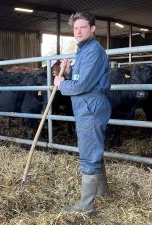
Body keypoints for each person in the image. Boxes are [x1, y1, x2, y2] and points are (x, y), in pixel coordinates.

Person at [54, 11, 111, 214]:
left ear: (93, 29)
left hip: (90, 105)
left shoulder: (93, 50)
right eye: (75, 28)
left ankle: (86, 207)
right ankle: (102, 192)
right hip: (88, 104)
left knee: (89, 153)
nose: (78, 31)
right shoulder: (84, 50)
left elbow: (83, 84)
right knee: (94, 148)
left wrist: (62, 83)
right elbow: (82, 77)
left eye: (83, 27)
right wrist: (69, 71)